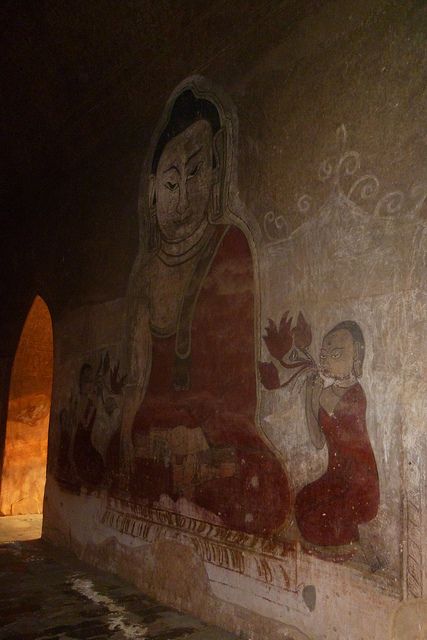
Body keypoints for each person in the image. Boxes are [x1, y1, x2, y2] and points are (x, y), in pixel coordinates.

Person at [119, 86, 290, 535]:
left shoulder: (229, 245)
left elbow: (239, 387)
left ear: (216, 175)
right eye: (171, 183)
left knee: (267, 490)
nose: (183, 197)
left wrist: (204, 431)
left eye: (196, 174)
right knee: (139, 471)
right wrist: (129, 435)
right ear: (152, 192)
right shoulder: (146, 271)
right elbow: (137, 377)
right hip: (156, 430)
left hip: (218, 432)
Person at [295, 321, 379, 546]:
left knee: (322, 516)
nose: (326, 360)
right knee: (303, 502)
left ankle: (349, 540)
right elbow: (318, 441)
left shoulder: (356, 394)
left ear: (356, 358)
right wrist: (310, 399)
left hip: (359, 481)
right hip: (335, 477)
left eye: (336, 354)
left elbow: (342, 430)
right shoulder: (324, 393)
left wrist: (317, 400)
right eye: (323, 355)